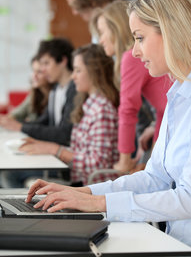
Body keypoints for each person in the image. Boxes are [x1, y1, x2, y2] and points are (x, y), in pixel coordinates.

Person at [26, 0, 191, 257]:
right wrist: (85, 194)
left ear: (171, 32)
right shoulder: (178, 95)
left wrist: (100, 203)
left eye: (139, 38)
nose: (135, 52)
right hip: (178, 242)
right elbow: (155, 177)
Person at [19, 44, 119, 186]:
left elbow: (98, 165)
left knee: (21, 180)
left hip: (90, 187)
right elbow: (83, 151)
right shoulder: (88, 104)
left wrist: (56, 150)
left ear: (94, 72)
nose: (73, 76)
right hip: (80, 181)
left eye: (78, 71)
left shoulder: (102, 110)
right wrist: (46, 146)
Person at [91, 0, 171, 172]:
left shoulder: (131, 58)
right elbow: (162, 110)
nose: (100, 40)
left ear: (116, 30)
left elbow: (128, 110)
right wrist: (155, 155)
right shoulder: (133, 58)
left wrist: (124, 160)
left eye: (102, 32)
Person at [0, 37, 76, 146]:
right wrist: (14, 124)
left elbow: (64, 134)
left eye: (46, 63)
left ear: (63, 61)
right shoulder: (56, 90)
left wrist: (21, 126)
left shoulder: (75, 89)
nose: (43, 70)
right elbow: (43, 122)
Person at [7, 55, 52, 122]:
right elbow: (17, 113)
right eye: (33, 71)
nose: (34, 76)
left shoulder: (55, 95)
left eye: (39, 72)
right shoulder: (34, 94)